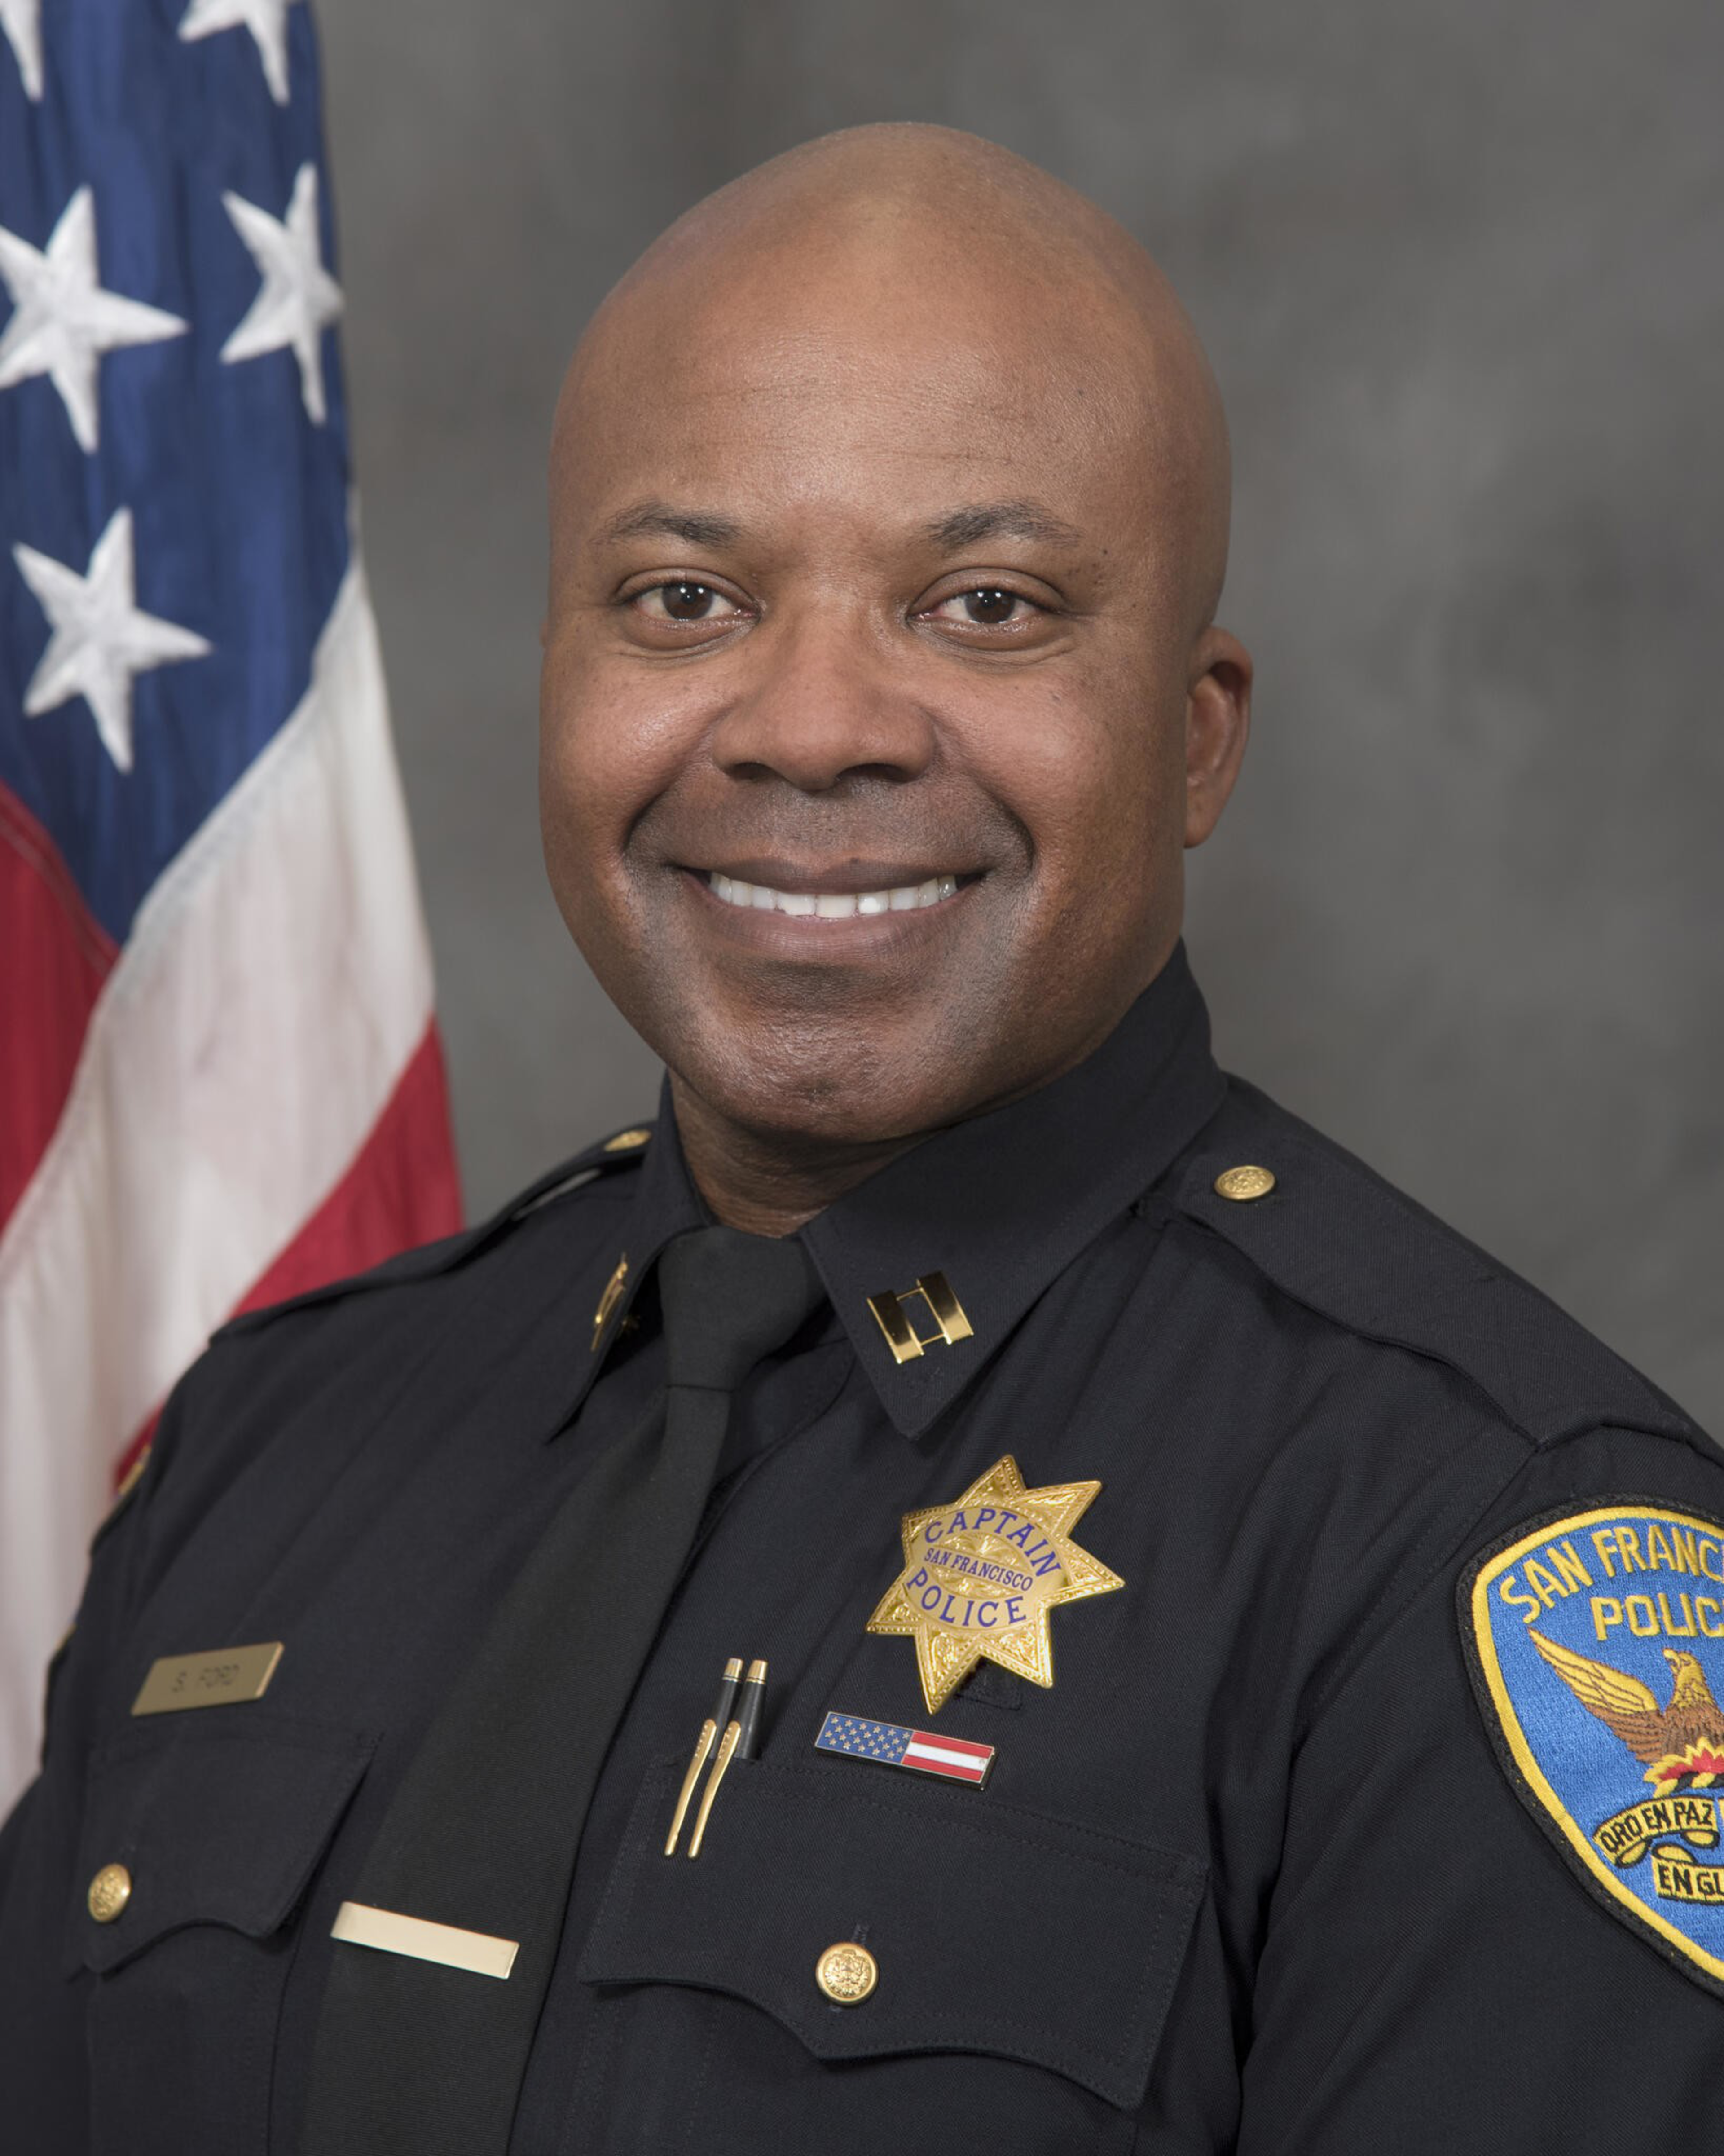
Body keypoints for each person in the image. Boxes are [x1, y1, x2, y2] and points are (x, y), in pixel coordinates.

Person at [2, 123, 1719, 2155]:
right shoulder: (275, 1439)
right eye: (686, 596)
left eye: (984, 605)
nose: (814, 725)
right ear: (556, 672)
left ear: (1192, 738)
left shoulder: (1473, 1549)